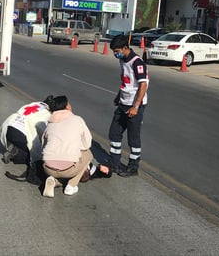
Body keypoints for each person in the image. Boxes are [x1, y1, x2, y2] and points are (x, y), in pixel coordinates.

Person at [42, 96, 110, 198]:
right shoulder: (77, 120)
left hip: (47, 168)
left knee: (64, 168)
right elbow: (87, 144)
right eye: (69, 103)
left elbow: (44, 144)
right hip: (68, 169)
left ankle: (54, 181)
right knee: (88, 154)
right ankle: (71, 186)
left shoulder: (50, 123)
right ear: (67, 107)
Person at [108, 34, 149, 177]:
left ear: (125, 48)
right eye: (114, 51)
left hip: (134, 105)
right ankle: (114, 163)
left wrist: (136, 106)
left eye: (117, 51)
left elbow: (143, 85)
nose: (115, 54)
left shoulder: (137, 62)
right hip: (123, 103)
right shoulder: (123, 60)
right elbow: (126, 82)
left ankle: (133, 166)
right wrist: (118, 96)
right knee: (114, 133)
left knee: (133, 137)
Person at [0, 95, 54, 184]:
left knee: (24, 145)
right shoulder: (47, 114)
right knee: (33, 155)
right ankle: (16, 153)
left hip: (9, 127)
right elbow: (44, 134)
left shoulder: (34, 104)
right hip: (22, 133)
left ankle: (14, 148)